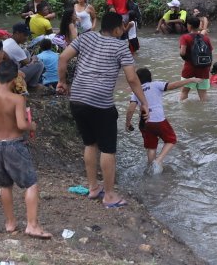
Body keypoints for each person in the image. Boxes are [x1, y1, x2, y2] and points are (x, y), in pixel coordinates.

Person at [56, 12, 148, 209]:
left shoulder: (86, 37)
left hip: (77, 99)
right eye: (122, 28)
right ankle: (109, 195)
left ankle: (93, 188)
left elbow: (63, 57)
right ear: (117, 29)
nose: (123, 31)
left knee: (90, 144)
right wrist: (144, 103)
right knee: (108, 149)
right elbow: (132, 79)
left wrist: (62, 82)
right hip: (100, 103)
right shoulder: (121, 46)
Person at [0, 60, 52, 239]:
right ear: (14, 79)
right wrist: (32, 126)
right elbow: (21, 124)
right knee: (31, 184)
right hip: (14, 145)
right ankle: (32, 225)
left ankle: (10, 223)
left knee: (5, 185)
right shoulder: (17, 99)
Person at [125, 68, 197, 174]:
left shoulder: (136, 92)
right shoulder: (156, 85)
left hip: (145, 123)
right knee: (171, 140)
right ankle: (158, 161)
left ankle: (150, 169)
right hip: (158, 120)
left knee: (151, 147)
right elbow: (173, 85)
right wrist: (190, 80)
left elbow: (131, 109)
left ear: (137, 80)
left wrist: (128, 123)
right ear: (150, 77)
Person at [177, 16, 213, 101]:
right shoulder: (206, 38)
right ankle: (204, 112)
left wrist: (188, 59)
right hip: (204, 69)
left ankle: (182, 112)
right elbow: (210, 52)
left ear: (189, 26)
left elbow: (182, 52)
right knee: (203, 94)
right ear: (198, 25)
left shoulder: (185, 37)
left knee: (184, 92)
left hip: (190, 68)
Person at [4, 23, 45, 89]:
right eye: (25, 35)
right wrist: (34, 59)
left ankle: (27, 82)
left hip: (6, 72)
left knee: (25, 52)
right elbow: (28, 63)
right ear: (17, 33)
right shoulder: (15, 48)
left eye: (28, 35)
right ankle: (32, 85)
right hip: (11, 77)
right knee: (39, 64)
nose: (26, 38)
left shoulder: (7, 40)